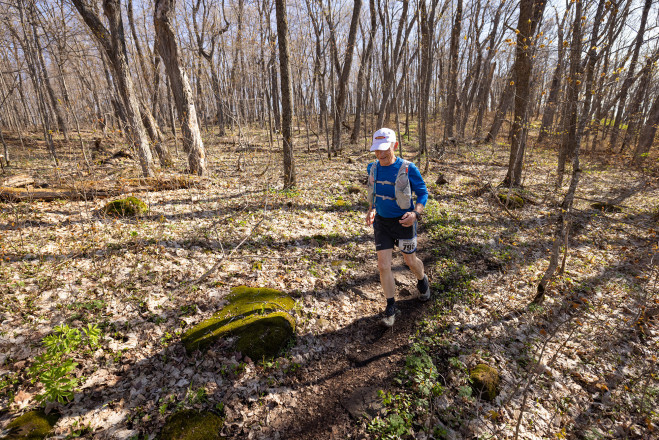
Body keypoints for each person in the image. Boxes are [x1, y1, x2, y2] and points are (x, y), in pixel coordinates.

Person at [366, 128, 430, 327]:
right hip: (382, 223)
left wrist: (415, 214)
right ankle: (391, 305)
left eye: (384, 149)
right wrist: (371, 209)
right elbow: (374, 193)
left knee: (410, 261)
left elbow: (423, 193)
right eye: (377, 150)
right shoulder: (372, 168)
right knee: (383, 265)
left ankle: (422, 279)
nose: (380, 154)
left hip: (404, 221)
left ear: (394, 146)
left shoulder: (409, 168)